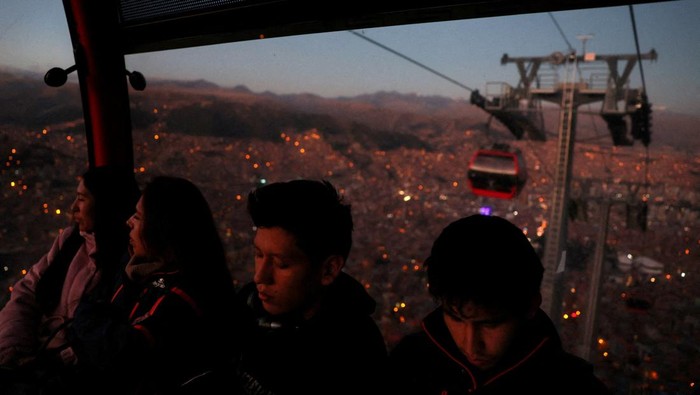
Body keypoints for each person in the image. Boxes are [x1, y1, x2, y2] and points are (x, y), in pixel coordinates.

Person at [66, 175, 252, 395]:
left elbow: (120, 355)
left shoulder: (183, 296)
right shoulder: (138, 270)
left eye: (137, 216)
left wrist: (85, 319)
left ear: (160, 228)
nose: (129, 222)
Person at [388, 214, 612, 395]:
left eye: (491, 325)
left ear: (530, 307)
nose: (472, 345)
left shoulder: (571, 387)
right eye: (456, 319)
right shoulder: (410, 364)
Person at [235, 179, 389, 395]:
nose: (260, 276)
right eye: (259, 255)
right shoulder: (246, 305)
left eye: (282, 264)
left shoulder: (354, 357)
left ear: (328, 270)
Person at [0, 165, 140, 391]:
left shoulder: (128, 262)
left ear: (105, 204)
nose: (73, 208)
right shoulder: (70, 242)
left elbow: (108, 339)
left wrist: (48, 364)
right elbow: (25, 293)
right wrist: (12, 350)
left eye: (82, 199)